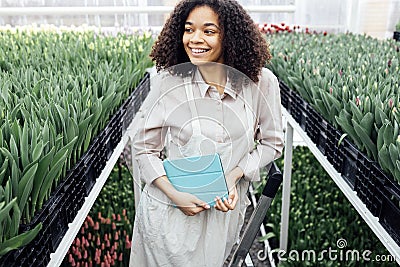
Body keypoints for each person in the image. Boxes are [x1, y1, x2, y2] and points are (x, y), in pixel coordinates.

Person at [129, 0, 284, 266]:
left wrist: (234, 175)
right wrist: (174, 195)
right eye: (189, 30)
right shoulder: (169, 82)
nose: (195, 39)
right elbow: (144, 148)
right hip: (170, 214)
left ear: (231, 37)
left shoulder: (261, 83)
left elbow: (272, 143)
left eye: (208, 31)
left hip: (223, 215)